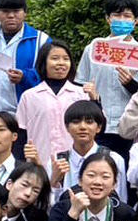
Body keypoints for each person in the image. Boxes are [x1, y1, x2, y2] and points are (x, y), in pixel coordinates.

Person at [75, 0, 138, 160]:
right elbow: (80, 85)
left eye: (127, 16)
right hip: (99, 126)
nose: (122, 20)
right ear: (108, 19)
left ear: (136, 21)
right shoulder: (93, 48)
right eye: (116, 15)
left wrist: (130, 84)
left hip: (132, 127)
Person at [48, 154, 137, 221]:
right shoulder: (62, 209)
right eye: (91, 175)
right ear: (80, 180)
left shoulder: (126, 214)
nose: (97, 182)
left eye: (105, 177)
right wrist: (72, 215)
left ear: (114, 184)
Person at [16, 39, 86, 168]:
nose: (61, 63)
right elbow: (21, 136)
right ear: (43, 63)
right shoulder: (30, 96)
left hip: (76, 166)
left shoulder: (82, 94)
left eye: (66, 59)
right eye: (55, 58)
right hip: (39, 164)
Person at [50, 99, 125, 206]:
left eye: (89, 122)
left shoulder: (114, 159)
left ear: (98, 127)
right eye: (76, 122)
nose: (82, 127)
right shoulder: (57, 161)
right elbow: (48, 207)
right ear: (67, 127)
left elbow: (120, 202)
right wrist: (54, 182)